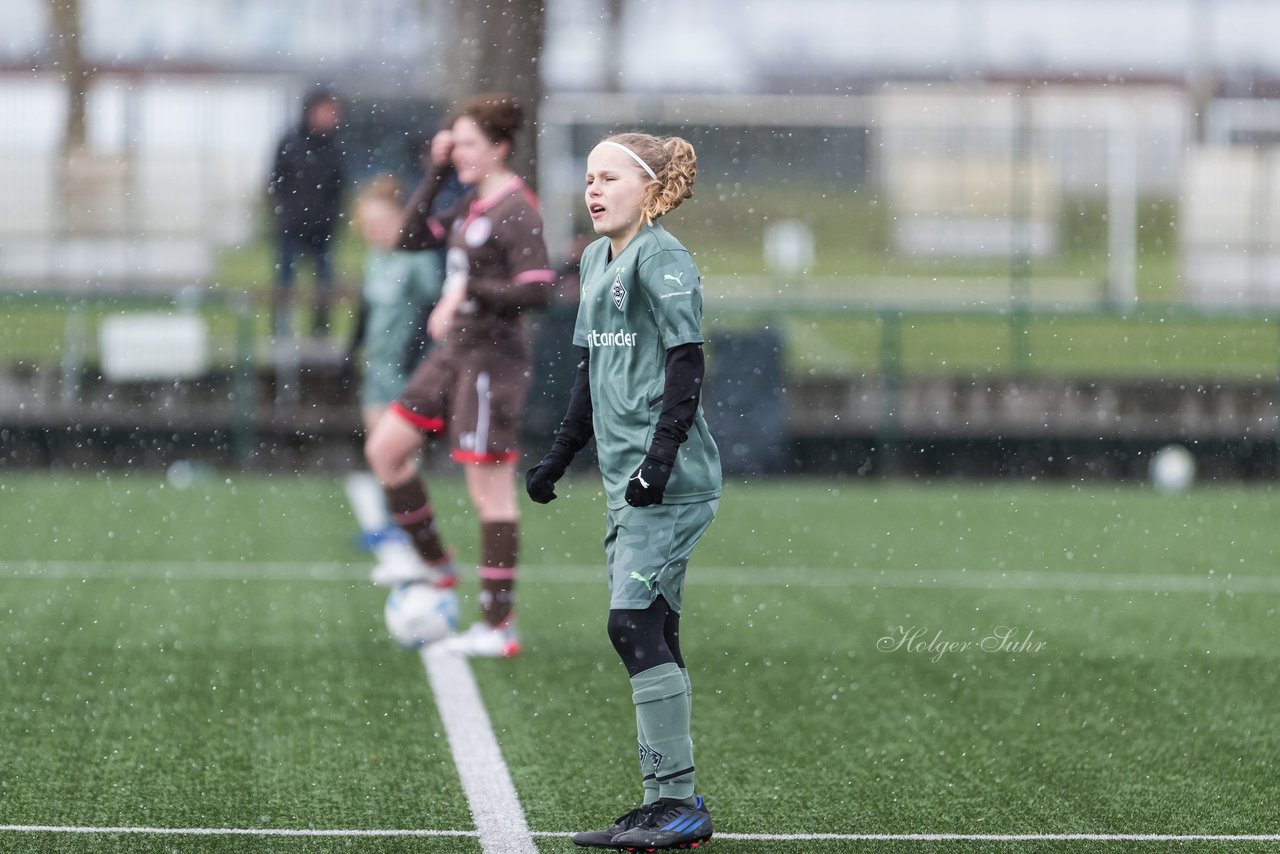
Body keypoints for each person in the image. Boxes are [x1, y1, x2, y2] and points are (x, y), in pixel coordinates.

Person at [524, 132, 721, 850]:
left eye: (609, 178)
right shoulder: (594, 258)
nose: (593, 190)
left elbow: (686, 365)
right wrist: (558, 454)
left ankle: (678, 803)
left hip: (668, 485)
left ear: (650, 190)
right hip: (624, 483)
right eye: (588, 178)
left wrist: (660, 461)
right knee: (654, 628)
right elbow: (587, 374)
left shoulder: (663, 258)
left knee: (631, 626)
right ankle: (666, 803)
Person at [364, 93, 554, 658]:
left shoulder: (516, 209)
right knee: (386, 451)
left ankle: (499, 628)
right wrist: (438, 171)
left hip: (492, 361)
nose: (459, 150)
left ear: (498, 147)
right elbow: (408, 238)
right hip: (453, 356)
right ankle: (439, 569)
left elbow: (538, 289)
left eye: (469, 143)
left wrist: (470, 291)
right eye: (455, 142)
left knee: (489, 493)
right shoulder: (470, 202)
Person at [267, 88, 345, 339]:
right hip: (291, 225)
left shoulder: (334, 146)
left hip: (322, 228)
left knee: (324, 281)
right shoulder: (290, 142)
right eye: (327, 111)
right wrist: (287, 213)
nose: (332, 117)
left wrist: (329, 217)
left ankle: (320, 330)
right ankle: (281, 329)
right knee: (285, 280)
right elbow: (277, 181)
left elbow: (339, 186)